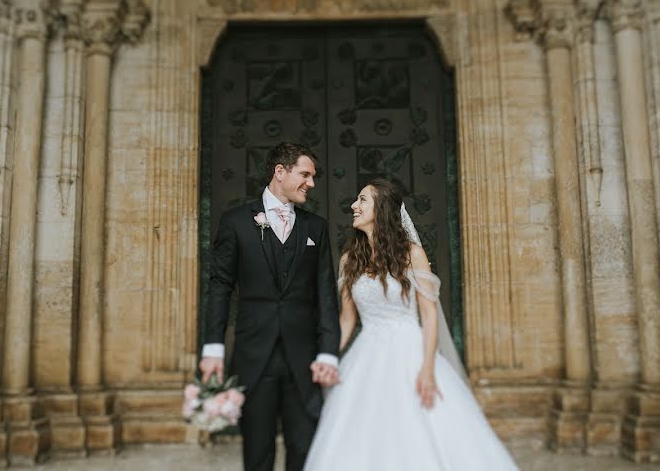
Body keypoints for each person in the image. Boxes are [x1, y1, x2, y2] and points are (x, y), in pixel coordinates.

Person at [304, 178, 519, 470]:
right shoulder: (349, 260)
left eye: (363, 200)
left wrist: (428, 369)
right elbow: (346, 319)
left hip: (411, 353)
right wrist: (328, 356)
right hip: (366, 356)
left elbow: (429, 315)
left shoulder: (412, 255)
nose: (354, 206)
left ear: (382, 209)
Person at [201, 142, 341, 471]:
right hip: (254, 357)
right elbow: (220, 285)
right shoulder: (235, 221)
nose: (312, 183)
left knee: (304, 449)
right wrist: (213, 348)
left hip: (304, 360)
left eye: (313, 176)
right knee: (258, 453)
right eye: (305, 174)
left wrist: (328, 352)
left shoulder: (315, 228)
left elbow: (325, 293)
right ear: (280, 172)